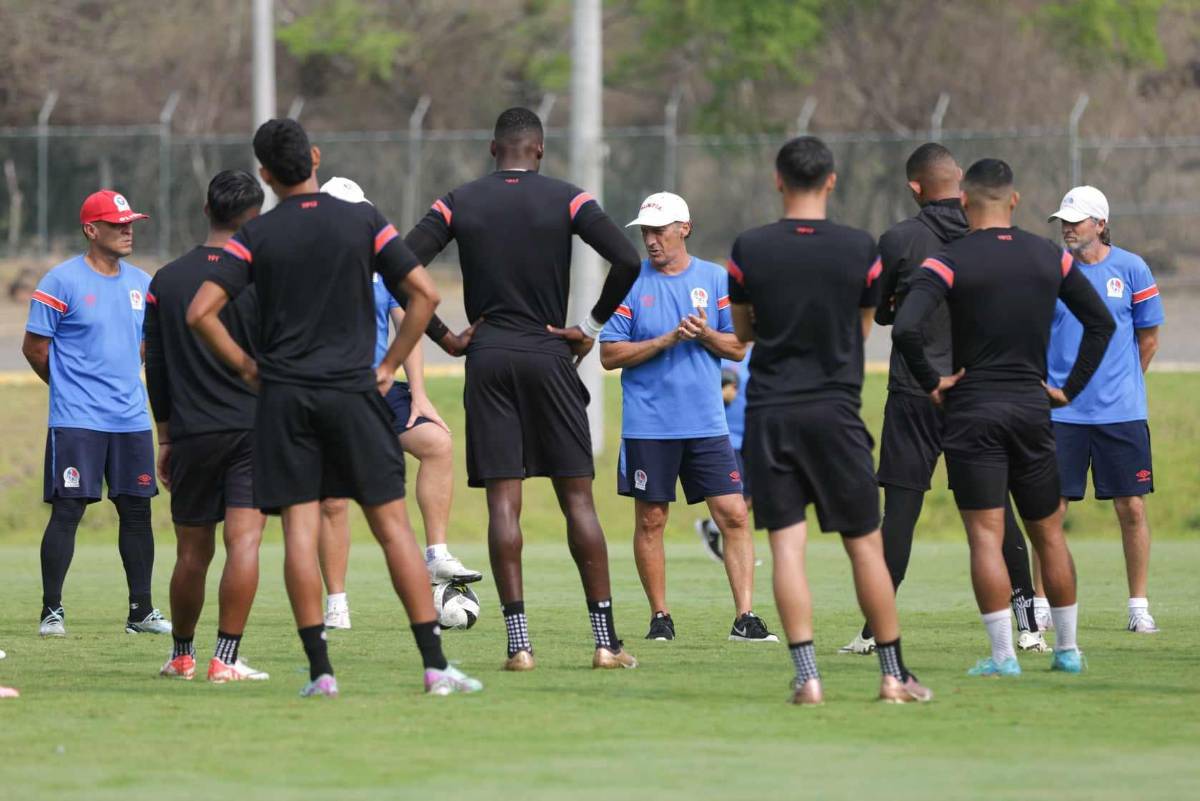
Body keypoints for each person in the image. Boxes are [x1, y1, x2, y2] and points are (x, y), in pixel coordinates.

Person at [187, 118, 482, 697]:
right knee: (392, 526)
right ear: (316, 158)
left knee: (301, 527)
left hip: (286, 399)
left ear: (266, 175)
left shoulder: (258, 234)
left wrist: (248, 368)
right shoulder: (363, 220)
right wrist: (391, 364)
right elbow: (425, 294)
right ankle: (433, 666)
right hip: (353, 392)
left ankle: (321, 672)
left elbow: (201, 313)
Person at [403, 107, 643, 671]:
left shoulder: (459, 201)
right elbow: (628, 258)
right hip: (547, 351)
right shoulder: (567, 197)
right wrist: (589, 326)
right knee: (577, 500)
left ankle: (519, 646)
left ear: (494, 149)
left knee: (503, 503)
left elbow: (399, 265)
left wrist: (444, 336)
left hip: (486, 357)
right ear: (538, 150)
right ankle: (606, 643)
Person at [727, 136, 931, 705]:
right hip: (836, 412)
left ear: (777, 179)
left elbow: (743, 333)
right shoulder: (860, 248)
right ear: (833, 181)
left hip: (770, 412)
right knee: (865, 546)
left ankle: (807, 677)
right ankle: (893, 676)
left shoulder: (749, 248)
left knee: (788, 548)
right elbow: (865, 328)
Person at [892, 158, 1115, 677]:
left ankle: (1002, 657)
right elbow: (1100, 324)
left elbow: (904, 328)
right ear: (1014, 202)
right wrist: (1068, 390)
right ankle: (1068, 651)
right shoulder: (1050, 258)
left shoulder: (949, 260)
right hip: (1034, 407)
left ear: (965, 202)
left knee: (986, 537)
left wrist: (932, 382)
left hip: (973, 409)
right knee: (1049, 534)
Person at [838, 143, 1048, 656]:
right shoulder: (985, 241)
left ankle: (874, 630)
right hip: (976, 389)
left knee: (902, 510)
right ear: (960, 183)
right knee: (996, 509)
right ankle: (1029, 624)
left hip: (914, 388)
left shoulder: (900, 239)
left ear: (915, 187)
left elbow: (885, 313)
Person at [598, 191, 775, 643]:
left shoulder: (715, 279)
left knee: (733, 514)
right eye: (646, 233)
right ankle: (660, 617)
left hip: (706, 424)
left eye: (659, 231)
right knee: (651, 520)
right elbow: (609, 354)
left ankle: (746, 618)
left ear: (684, 229)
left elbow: (737, 346)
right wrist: (663, 341)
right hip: (649, 424)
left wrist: (704, 334)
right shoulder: (630, 281)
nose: (652, 241)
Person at [313, 176, 482, 632]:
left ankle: (436, 556)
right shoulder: (302, 264)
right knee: (332, 503)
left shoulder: (379, 267)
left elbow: (407, 328)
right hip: (326, 396)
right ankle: (337, 602)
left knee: (437, 443)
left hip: (379, 392)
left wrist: (420, 395)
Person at [22, 189, 171, 637]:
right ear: (92, 230)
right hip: (76, 420)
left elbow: (145, 347)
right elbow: (34, 347)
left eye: (130, 223)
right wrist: (69, 388)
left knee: (138, 512)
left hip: (129, 420)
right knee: (68, 510)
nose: (127, 230)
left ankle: (140, 611)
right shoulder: (59, 282)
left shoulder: (143, 284)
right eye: (116, 224)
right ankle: (52, 611)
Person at [145, 170, 270, 682]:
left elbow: (154, 365)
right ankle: (227, 658)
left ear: (206, 210)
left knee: (192, 552)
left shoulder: (167, 280)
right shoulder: (264, 277)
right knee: (244, 544)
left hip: (193, 432)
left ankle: (181, 655)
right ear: (255, 217)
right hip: (253, 429)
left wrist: (167, 435)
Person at [1042, 186, 1164, 633]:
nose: (1068, 228)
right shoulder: (1052, 271)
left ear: (1101, 224)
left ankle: (1138, 607)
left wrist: (1122, 387)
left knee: (1131, 507)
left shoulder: (1132, 268)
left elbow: (1147, 339)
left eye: (1076, 220)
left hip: (1121, 414)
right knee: (1049, 510)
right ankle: (1040, 606)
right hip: (1061, 414)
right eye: (1064, 220)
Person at [695, 351, 751, 563]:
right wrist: (723, 389)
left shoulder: (758, 351)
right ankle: (734, 549)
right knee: (737, 495)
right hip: (729, 437)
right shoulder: (724, 353)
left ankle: (710, 527)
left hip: (753, 436)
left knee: (752, 495)